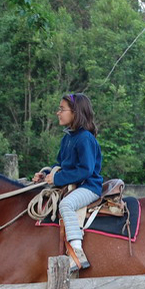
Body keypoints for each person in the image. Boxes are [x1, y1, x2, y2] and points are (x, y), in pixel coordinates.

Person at [33, 93, 103, 271]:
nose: (58, 113)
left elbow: (85, 170)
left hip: (88, 186)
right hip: (74, 185)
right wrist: (46, 173)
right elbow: (60, 165)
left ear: (75, 112)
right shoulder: (68, 138)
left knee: (66, 205)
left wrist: (57, 179)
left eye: (62, 109)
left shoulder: (85, 138)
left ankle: (77, 252)